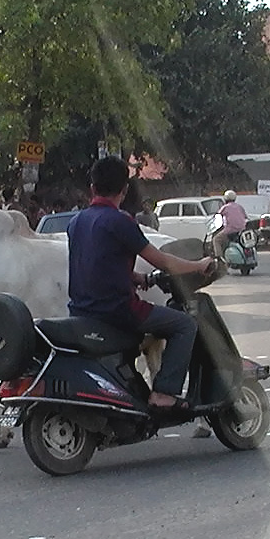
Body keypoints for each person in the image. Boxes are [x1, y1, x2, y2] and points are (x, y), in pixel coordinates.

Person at [66, 156, 214, 412]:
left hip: (81, 311)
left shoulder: (76, 222)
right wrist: (199, 265)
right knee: (185, 325)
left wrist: (139, 278)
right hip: (118, 312)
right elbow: (163, 261)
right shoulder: (120, 221)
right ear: (124, 191)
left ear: (92, 189)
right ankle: (164, 393)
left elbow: (97, 264)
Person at [213, 190, 249, 262]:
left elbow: (217, 216)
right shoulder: (239, 207)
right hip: (241, 230)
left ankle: (220, 260)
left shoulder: (225, 207)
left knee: (216, 240)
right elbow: (245, 217)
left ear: (225, 198)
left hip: (230, 230)